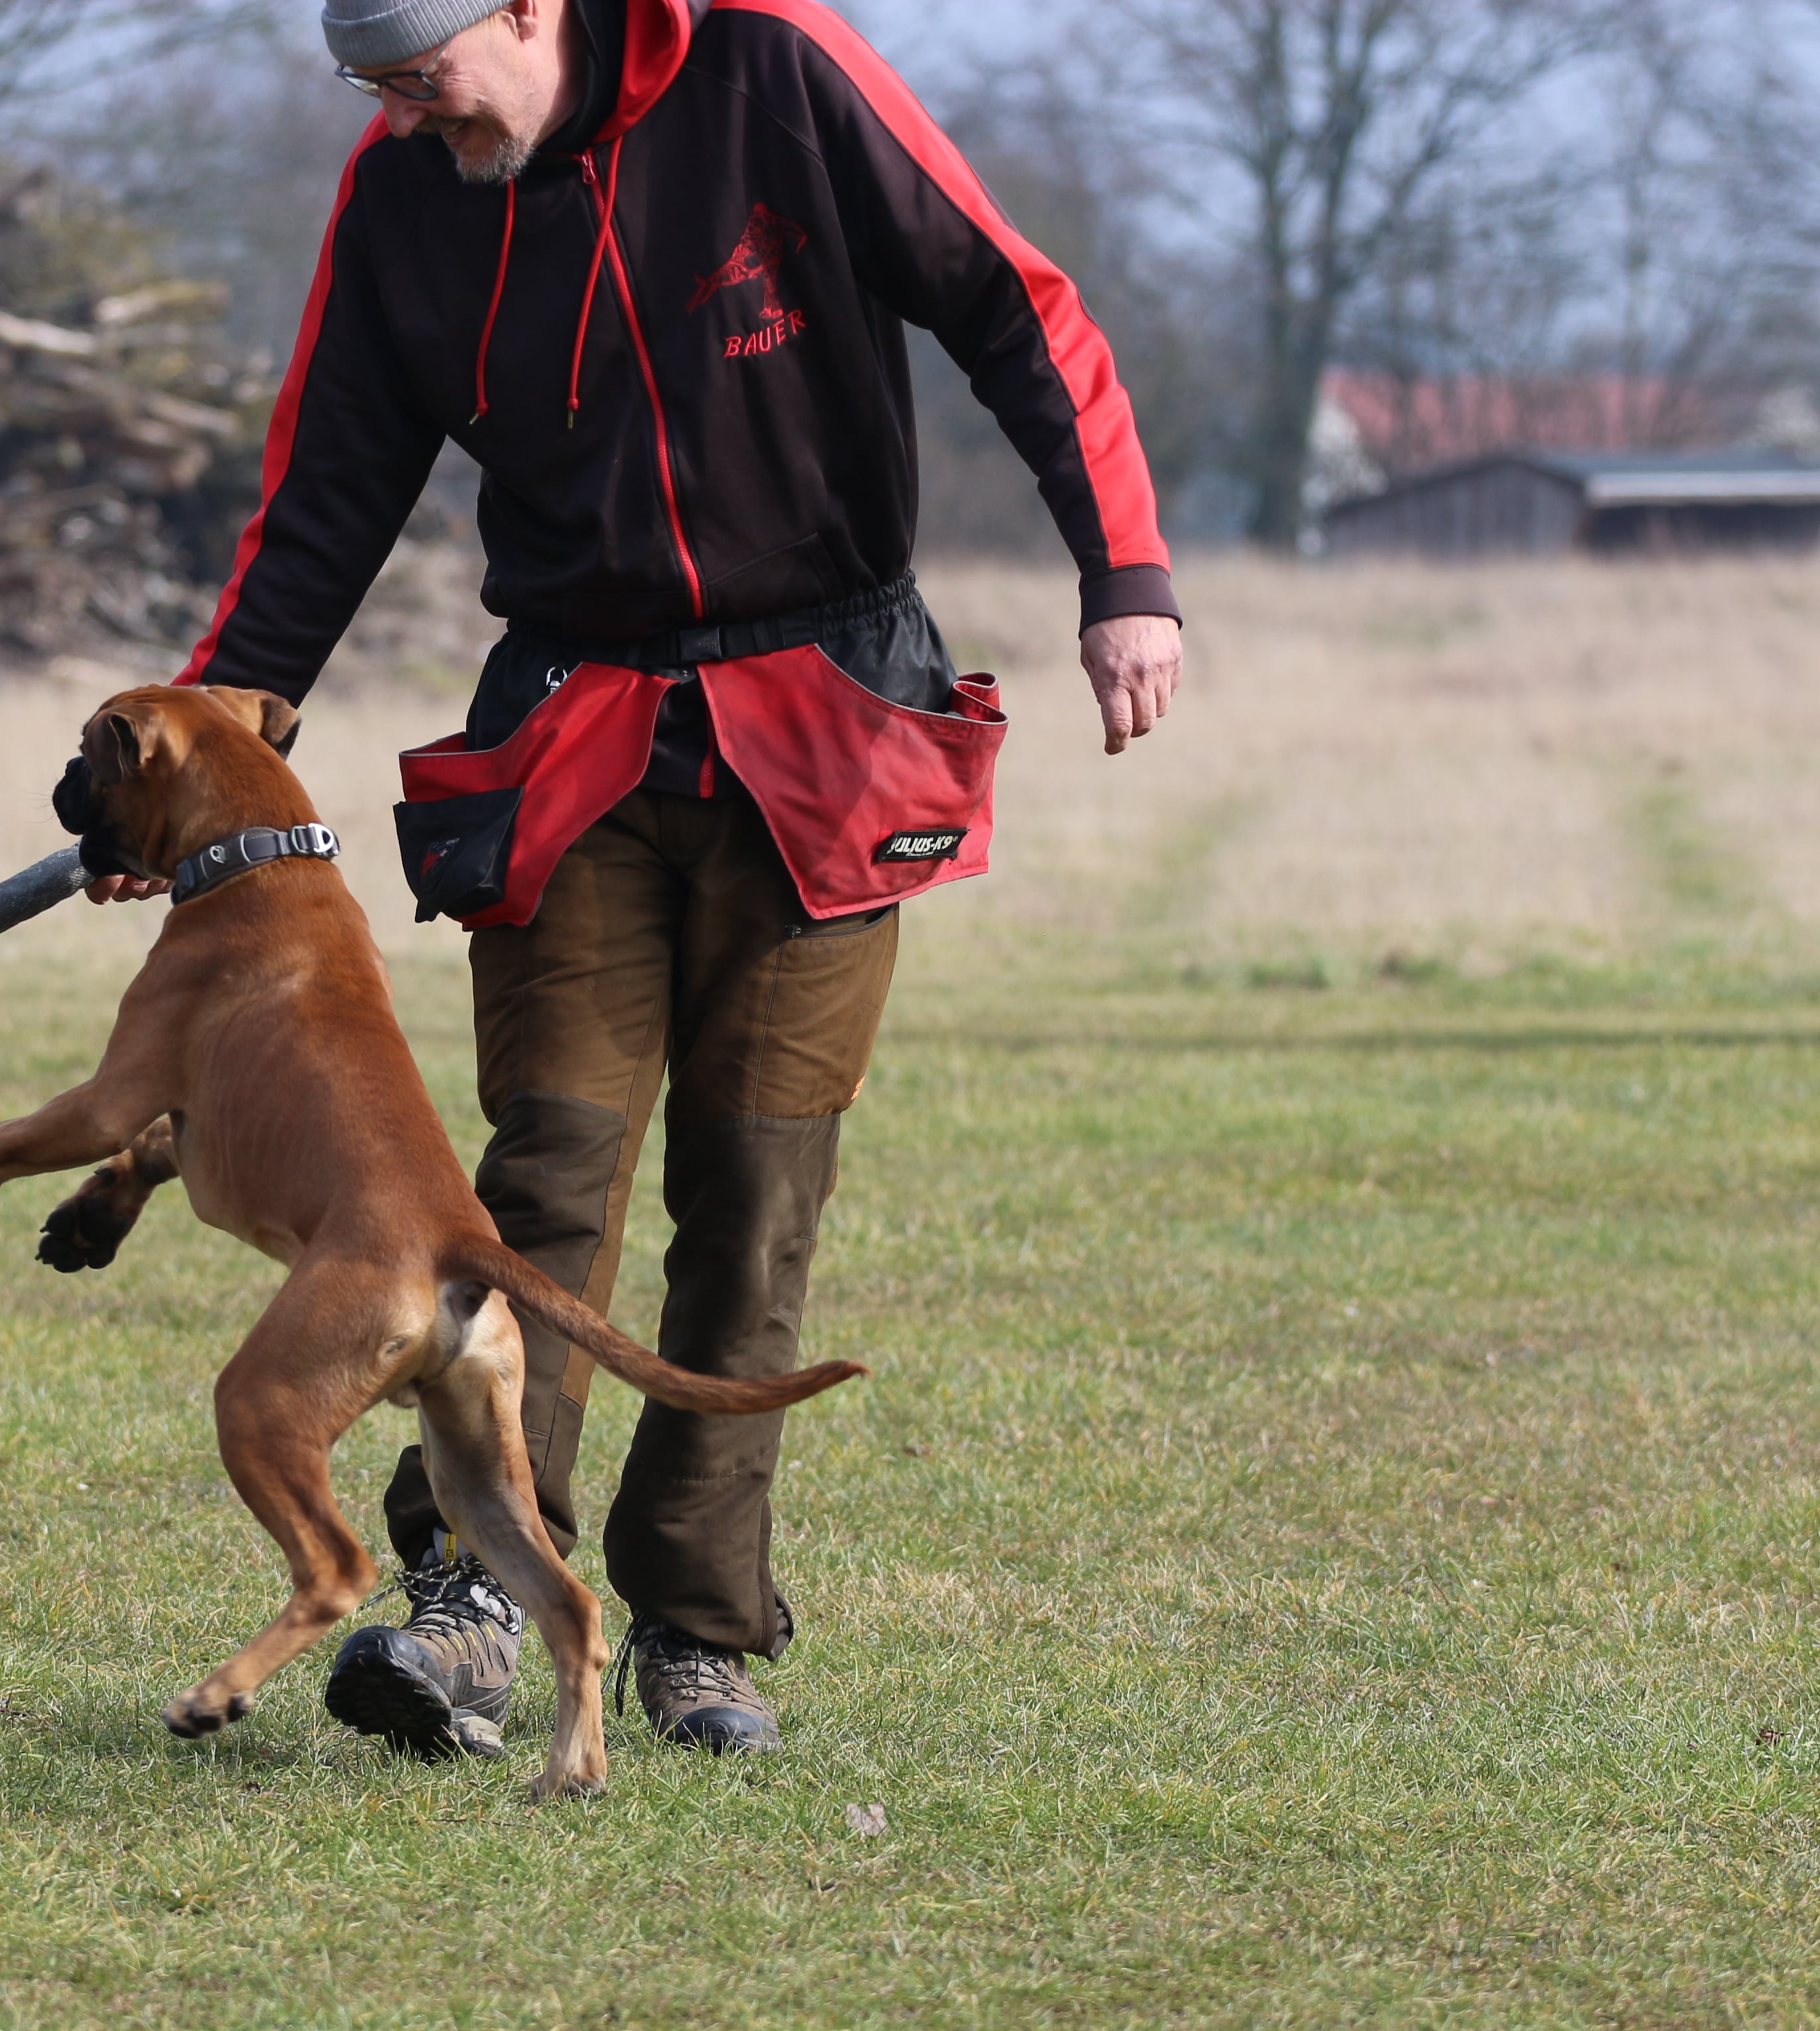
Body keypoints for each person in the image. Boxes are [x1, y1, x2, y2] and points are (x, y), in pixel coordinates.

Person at [89, 0, 1185, 1759]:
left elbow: (1012, 303)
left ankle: (698, 1630)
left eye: (415, 71)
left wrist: (1123, 571)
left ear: (524, 8)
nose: (394, 112)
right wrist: (194, 780)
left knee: (754, 1197)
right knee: (542, 1184)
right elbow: (324, 493)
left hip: (825, 724)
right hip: (574, 726)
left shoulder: (770, 65)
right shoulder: (401, 201)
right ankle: (467, 1605)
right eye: (364, 84)